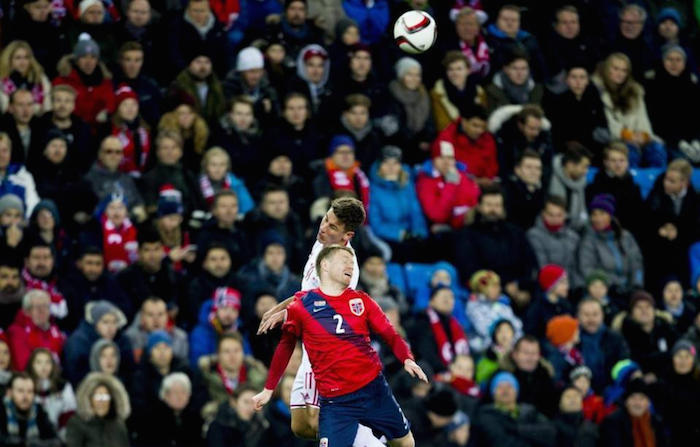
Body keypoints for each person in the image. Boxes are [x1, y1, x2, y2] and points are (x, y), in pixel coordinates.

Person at [252, 245, 427, 446]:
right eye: (345, 261)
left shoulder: (362, 300)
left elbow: (390, 333)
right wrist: (268, 390)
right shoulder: (301, 306)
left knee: (406, 443)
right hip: (337, 403)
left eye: (352, 263)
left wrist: (406, 358)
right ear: (325, 265)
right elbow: (285, 347)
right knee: (302, 429)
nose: (350, 266)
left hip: (375, 390)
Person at [454, 186, 538, 312]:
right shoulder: (467, 235)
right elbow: (471, 269)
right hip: (488, 296)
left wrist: (523, 287)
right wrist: (503, 286)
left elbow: (530, 262)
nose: (493, 210)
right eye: (489, 205)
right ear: (479, 207)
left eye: (497, 205)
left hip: (522, 291)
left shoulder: (515, 232)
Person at [592, 52, 666, 168]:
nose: (620, 74)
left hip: (636, 137)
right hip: (613, 139)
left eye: (624, 70)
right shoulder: (598, 92)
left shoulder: (636, 92)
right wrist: (627, 135)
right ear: (607, 70)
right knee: (629, 151)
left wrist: (644, 135)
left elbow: (642, 118)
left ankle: (658, 184)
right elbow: (608, 123)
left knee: (656, 149)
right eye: (616, 69)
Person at [645, 159, 700, 290]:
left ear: (685, 183)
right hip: (659, 251)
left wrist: (678, 233)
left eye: (672, 181)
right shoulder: (655, 195)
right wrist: (660, 229)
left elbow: (696, 229)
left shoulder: (696, 201)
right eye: (666, 179)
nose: (666, 184)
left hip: (683, 254)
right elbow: (645, 222)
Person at [578, 194, 645, 296]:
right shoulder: (588, 240)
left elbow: (636, 264)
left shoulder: (626, 237)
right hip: (604, 292)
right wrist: (609, 285)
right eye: (594, 214)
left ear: (610, 215)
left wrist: (636, 284)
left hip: (629, 290)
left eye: (602, 213)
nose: (597, 218)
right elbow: (587, 269)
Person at [368, 146, 428, 258]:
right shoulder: (372, 190)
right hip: (386, 238)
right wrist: (401, 235)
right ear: (379, 166)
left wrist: (419, 233)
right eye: (386, 163)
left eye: (395, 163)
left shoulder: (407, 186)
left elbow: (416, 214)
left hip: (410, 236)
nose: (391, 167)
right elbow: (376, 224)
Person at [644, 44, 700, 156]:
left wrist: (696, 140)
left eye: (678, 60)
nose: (674, 64)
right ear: (662, 61)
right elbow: (655, 121)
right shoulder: (652, 86)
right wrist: (679, 142)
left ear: (684, 64)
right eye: (669, 59)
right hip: (665, 140)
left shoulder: (693, 87)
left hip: (692, 142)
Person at [62, 300, 134, 387]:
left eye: (114, 322)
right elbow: (75, 374)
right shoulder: (78, 342)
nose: (110, 328)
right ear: (95, 323)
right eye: (105, 322)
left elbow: (130, 372)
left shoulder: (122, 341)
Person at [544, 66, 609, 160]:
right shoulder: (557, 102)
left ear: (587, 81)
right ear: (567, 80)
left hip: (592, 147)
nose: (578, 82)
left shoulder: (595, 102)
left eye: (582, 77)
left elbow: (602, 126)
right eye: (574, 77)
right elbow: (557, 132)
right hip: (565, 148)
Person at [475, 371, 556, 447]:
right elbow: (500, 441)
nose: (505, 391)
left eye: (509, 386)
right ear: (493, 393)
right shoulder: (487, 414)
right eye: (500, 387)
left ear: (516, 391)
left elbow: (550, 433)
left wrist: (517, 429)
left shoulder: (530, 411)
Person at [53, 34, 115, 130]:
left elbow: (110, 104)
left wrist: (106, 112)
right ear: (76, 60)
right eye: (84, 57)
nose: (88, 62)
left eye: (93, 57)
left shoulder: (105, 83)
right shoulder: (63, 81)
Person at [416, 140, 480, 232]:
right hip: (447, 229)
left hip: (467, 224)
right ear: (433, 160)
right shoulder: (425, 180)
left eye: (450, 158)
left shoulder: (461, 175)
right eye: (441, 157)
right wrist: (451, 184)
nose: (446, 162)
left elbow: (474, 201)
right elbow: (437, 215)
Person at [117, 228, 180, 320]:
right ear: (139, 252)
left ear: (163, 250)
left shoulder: (173, 276)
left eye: (156, 249)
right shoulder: (126, 278)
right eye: (147, 250)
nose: (152, 255)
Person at [586, 143, 646, 236]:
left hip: (628, 235)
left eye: (622, 160)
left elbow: (639, 217)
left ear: (627, 162)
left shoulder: (634, 188)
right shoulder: (595, 187)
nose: (618, 165)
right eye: (613, 161)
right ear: (606, 162)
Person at [409, 285, 470, 375]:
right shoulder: (422, 322)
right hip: (433, 374)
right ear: (431, 301)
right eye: (443, 297)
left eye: (451, 297)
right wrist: (448, 370)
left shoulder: (455, 325)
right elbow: (427, 354)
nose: (447, 300)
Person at [84, 136, 146, 221]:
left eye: (118, 152)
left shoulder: (127, 179)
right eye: (109, 152)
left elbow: (138, 204)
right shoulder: (89, 180)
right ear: (100, 154)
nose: (114, 155)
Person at [433, 105, 497, 186]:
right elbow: (443, 169)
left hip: (483, 188)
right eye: (475, 125)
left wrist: (486, 179)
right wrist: (469, 181)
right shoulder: (446, 138)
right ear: (464, 122)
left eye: (483, 127)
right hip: (453, 187)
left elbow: (492, 166)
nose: (479, 131)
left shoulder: (488, 140)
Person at [619, 290, 679, 378]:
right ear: (631, 313)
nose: (644, 311)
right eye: (639, 307)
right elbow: (632, 358)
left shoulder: (666, 328)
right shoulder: (625, 333)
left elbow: (678, 349)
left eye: (648, 307)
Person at [387, 57, 436, 163]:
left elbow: (430, 121)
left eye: (417, 75)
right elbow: (396, 126)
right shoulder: (391, 94)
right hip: (400, 148)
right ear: (401, 76)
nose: (414, 78)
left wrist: (427, 138)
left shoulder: (424, 94)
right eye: (409, 74)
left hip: (421, 148)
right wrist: (416, 142)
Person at [543, 6, 602, 92]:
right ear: (555, 26)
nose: (570, 26)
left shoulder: (588, 43)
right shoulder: (548, 46)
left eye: (573, 22)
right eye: (564, 23)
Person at [198, 332, 267, 404]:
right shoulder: (205, 378)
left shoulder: (258, 378)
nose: (232, 356)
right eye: (227, 351)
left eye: (236, 351)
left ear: (243, 353)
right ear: (218, 355)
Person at [485, 4, 548, 82]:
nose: (510, 23)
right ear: (497, 20)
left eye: (514, 20)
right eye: (505, 19)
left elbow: (541, 68)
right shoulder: (487, 40)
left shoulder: (529, 40)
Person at [577, 299, 630, 392]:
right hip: (579, 390)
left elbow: (624, 362)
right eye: (586, 315)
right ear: (578, 316)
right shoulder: (572, 339)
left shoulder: (614, 337)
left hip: (611, 388)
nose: (591, 319)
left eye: (595, 314)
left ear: (602, 316)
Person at [138, 372, 204, 446]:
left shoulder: (195, 419)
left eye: (184, 392)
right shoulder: (151, 418)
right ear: (165, 395)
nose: (180, 397)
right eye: (175, 393)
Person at [211, 95, 265, 185]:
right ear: (230, 115)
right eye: (239, 114)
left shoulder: (257, 138)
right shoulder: (219, 135)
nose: (243, 119)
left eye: (248, 114)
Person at [65, 372, 130, 447]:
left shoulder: (118, 425)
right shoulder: (77, 424)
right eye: (97, 396)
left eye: (105, 396)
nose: (101, 401)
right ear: (88, 398)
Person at [499, 336, 558, 418]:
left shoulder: (546, 376)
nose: (530, 358)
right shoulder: (501, 378)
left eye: (534, 353)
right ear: (514, 355)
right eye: (526, 353)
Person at [465, 270, 522, 354]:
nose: (499, 289)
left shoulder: (502, 303)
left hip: (511, 347)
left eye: (498, 286)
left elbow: (516, 325)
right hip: (487, 351)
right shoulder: (473, 306)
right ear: (483, 289)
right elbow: (484, 330)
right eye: (494, 286)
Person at [166, 0, 228, 77]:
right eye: (195, 10)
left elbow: (225, 55)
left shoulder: (218, 27)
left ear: (208, 10)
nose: (198, 14)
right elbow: (173, 55)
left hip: (213, 76)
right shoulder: (176, 27)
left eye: (202, 11)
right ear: (188, 10)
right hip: (184, 76)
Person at [7, 290, 65, 371]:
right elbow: (24, 366)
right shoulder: (17, 332)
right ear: (27, 311)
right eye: (38, 307)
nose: (42, 311)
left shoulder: (53, 329)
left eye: (45, 306)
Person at [493, 104, 554, 182]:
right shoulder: (504, 139)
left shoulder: (545, 141)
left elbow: (547, 168)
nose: (536, 133)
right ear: (520, 125)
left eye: (538, 129)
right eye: (531, 128)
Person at [25, 348, 77, 440]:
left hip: (60, 437)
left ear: (53, 365)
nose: (44, 367)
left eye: (47, 362)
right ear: (31, 365)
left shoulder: (63, 386)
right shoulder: (25, 386)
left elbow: (69, 414)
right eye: (39, 362)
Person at [599, 379, 668, 446]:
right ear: (626, 402)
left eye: (641, 399)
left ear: (648, 403)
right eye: (633, 398)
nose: (637, 403)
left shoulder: (656, 422)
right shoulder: (613, 422)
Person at [0, 372, 60, 446]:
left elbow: (56, 441)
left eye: (30, 391)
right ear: (9, 393)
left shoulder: (39, 410)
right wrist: (25, 443)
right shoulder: (2, 409)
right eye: (20, 391)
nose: (26, 396)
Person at [167, 53, 226, 127]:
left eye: (207, 62)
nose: (203, 67)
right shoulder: (178, 86)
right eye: (198, 62)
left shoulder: (218, 87)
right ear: (190, 64)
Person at [526, 196, 580, 275]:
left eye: (559, 215)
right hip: (547, 283)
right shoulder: (533, 235)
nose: (555, 219)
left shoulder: (573, 237)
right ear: (543, 214)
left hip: (570, 284)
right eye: (550, 215)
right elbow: (542, 266)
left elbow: (576, 268)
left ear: (565, 215)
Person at [430, 51, 483, 131]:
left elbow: (482, 122)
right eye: (450, 69)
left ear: (468, 71)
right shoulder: (437, 94)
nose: (454, 73)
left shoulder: (479, 92)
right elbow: (442, 125)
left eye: (459, 69)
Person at [312, 135, 370, 208]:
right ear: (332, 155)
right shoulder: (322, 175)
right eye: (341, 152)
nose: (345, 156)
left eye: (349, 152)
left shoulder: (360, 176)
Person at [125, 297, 189, 363]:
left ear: (167, 316)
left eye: (160, 314)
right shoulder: (130, 338)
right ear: (142, 317)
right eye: (150, 315)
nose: (156, 319)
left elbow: (184, 365)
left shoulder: (180, 337)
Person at [112, 41, 161, 127]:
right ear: (121, 61)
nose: (133, 65)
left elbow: (156, 118)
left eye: (137, 60)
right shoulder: (112, 87)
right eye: (128, 60)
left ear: (142, 62)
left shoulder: (151, 87)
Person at [106, 85, 150, 178]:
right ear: (118, 108)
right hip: (116, 177)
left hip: (142, 177)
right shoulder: (108, 129)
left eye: (133, 104)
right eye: (125, 105)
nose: (130, 109)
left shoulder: (145, 129)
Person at [330, 93, 382, 170]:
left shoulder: (375, 135)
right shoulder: (334, 134)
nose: (359, 118)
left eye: (363, 113)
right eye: (354, 113)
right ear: (346, 114)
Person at [0, 40, 52, 116]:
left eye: (26, 57)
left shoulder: (41, 79)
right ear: (9, 60)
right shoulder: (1, 80)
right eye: (18, 58)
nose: (22, 62)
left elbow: (48, 108)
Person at [548, 143, 592, 232]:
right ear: (570, 165)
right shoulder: (549, 177)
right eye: (584, 167)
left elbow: (583, 215)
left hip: (573, 233)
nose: (586, 172)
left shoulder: (581, 183)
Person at [0, 88, 48, 169]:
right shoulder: (2, 127)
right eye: (20, 105)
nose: (26, 110)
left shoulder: (42, 127)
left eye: (29, 104)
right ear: (11, 108)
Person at [199, 147, 254, 215]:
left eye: (222, 165)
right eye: (213, 165)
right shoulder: (196, 184)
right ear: (206, 166)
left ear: (227, 167)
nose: (218, 169)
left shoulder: (236, 184)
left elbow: (248, 209)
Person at [524, 265, 573, 340]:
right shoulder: (536, 308)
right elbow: (531, 334)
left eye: (566, 282)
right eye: (562, 283)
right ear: (552, 285)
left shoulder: (566, 305)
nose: (567, 286)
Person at [502, 149, 545, 230]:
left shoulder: (542, 195)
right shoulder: (507, 192)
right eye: (528, 167)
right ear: (517, 170)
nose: (534, 172)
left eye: (538, 168)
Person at [0, 133, 39, 218]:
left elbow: (33, 204)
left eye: (5, 151)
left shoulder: (24, 175)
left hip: (23, 226)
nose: (1, 155)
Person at [612, 4, 655, 80]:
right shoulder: (609, 47)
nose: (629, 26)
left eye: (634, 23)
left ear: (642, 25)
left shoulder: (650, 50)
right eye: (625, 22)